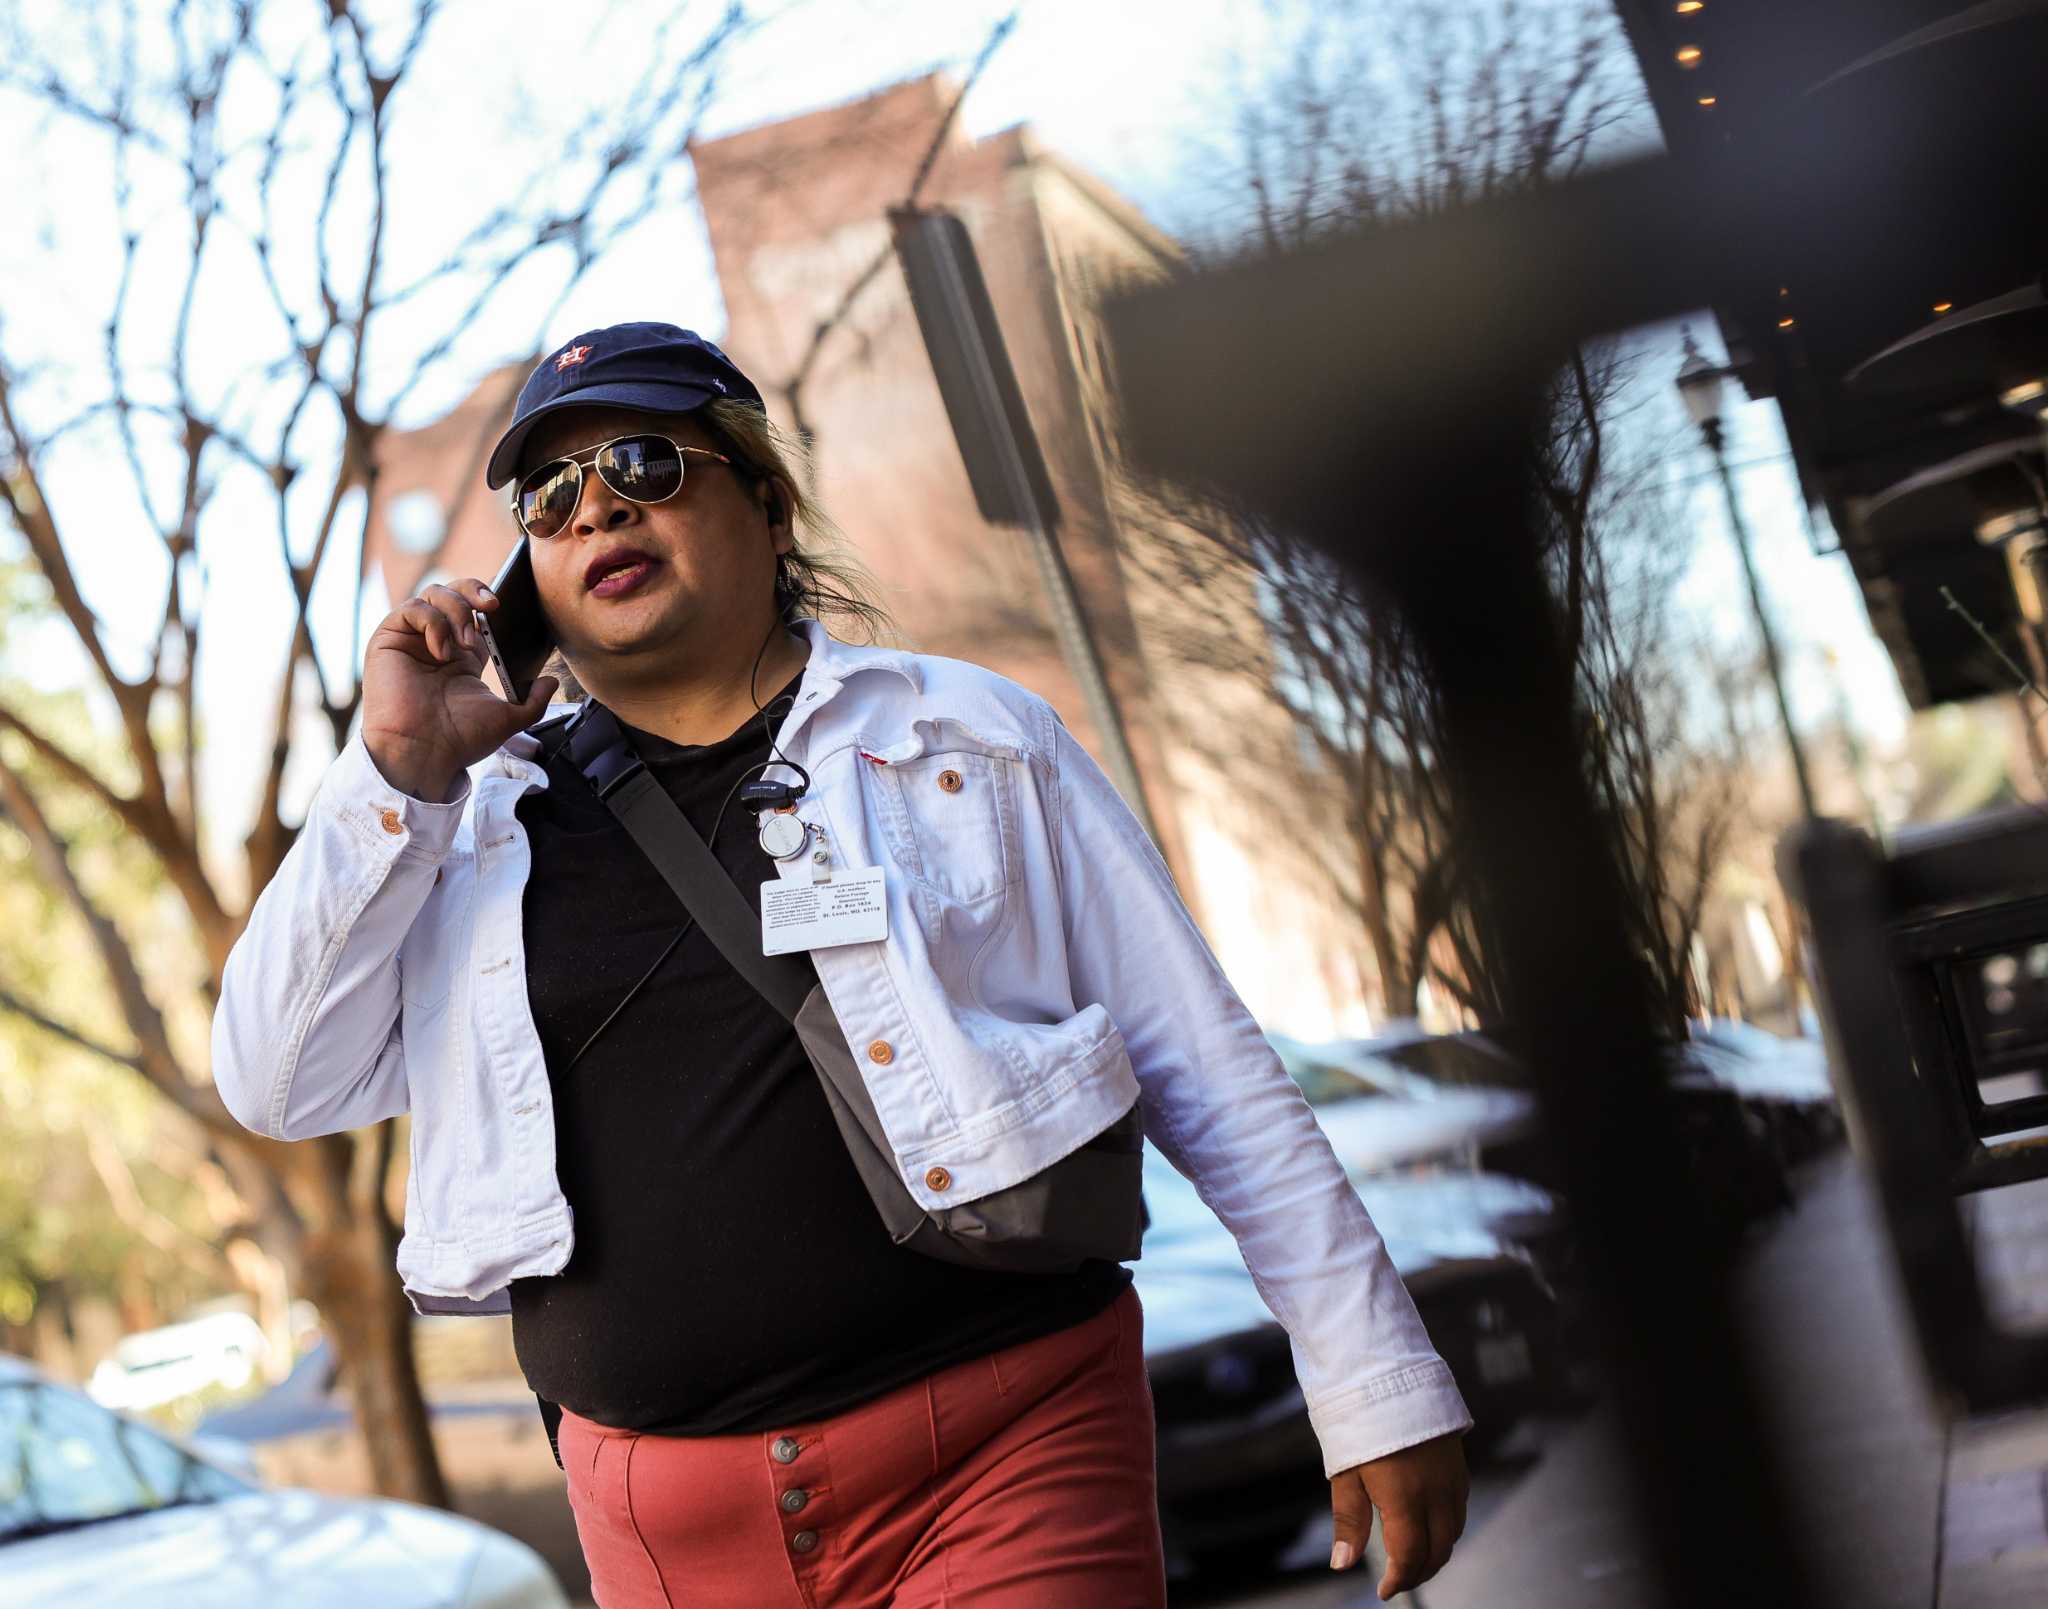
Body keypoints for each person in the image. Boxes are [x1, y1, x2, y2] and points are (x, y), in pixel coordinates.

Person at [213, 322, 1471, 1607]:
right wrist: (398, 772)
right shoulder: (469, 831)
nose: (597, 510)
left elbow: (1201, 1061)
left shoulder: (962, 735)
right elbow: (276, 1081)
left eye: (645, 464)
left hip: (1004, 1451)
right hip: (665, 1535)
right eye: (551, 496)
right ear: (525, 573)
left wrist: (1372, 1377)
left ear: (767, 504)